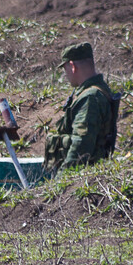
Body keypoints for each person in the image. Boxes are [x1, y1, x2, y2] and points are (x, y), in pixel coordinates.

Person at [44, 42, 117, 172]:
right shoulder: (97, 90)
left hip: (83, 174)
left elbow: (81, 145)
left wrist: (62, 180)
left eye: (65, 69)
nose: (66, 75)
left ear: (72, 66)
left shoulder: (89, 98)